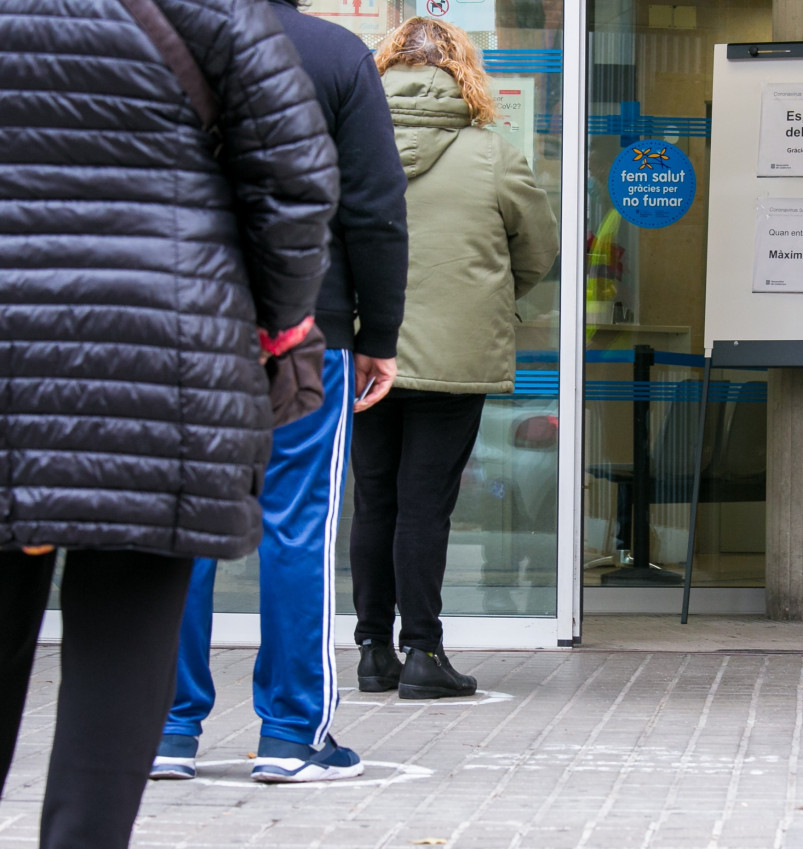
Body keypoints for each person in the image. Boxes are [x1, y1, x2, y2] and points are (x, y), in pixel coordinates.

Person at [0, 0, 338, 844]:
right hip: (160, 348)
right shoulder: (213, 6)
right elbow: (294, 178)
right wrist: (273, 318)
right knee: (126, 628)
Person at [150, 0, 410, 783]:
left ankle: (164, 729)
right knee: (297, 523)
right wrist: (380, 335)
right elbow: (374, 210)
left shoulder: (162, 41)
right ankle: (292, 736)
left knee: (182, 524)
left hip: (181, 321)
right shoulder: (334, 53)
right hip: (304, 328)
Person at [350, 17, 559, 699]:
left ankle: (373, 651)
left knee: (374, 499)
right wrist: (494, 294)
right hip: (457, 352)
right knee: (425, 506)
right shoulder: (492, 153)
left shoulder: (353, 146)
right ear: (462, 71)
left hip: (361, 351)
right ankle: (423, 652)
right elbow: (539, 250)